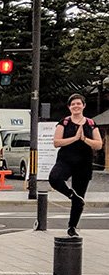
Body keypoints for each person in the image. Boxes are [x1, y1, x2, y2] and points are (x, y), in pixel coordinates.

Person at [50, 93, 103, 237]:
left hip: (84, 162)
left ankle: (72, 227)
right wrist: (74, 138)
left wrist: (84, 138)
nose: (76, 106)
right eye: (73, 104)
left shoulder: (90, 124)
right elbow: (56, 142)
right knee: (54, 179)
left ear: (84, 106)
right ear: (69, 107)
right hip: (65, 160)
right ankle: (71, 195)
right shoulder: (64, 123)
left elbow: (99, 145)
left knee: (80, 197)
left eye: (78, 103)